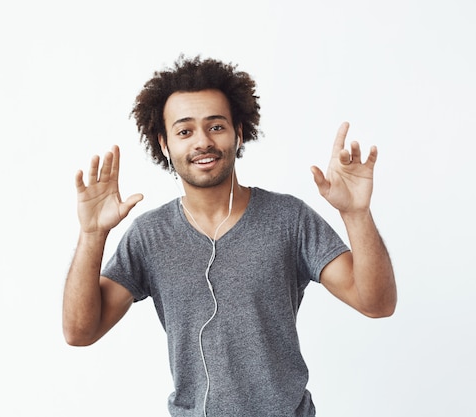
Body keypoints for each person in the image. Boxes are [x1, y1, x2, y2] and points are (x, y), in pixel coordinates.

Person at [62, 56, 397, 417]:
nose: (202, 142)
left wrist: (356, 214)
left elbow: (376, 303)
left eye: (216, 127)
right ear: (164, 143)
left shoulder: (289, 219)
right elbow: (80, 332)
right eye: (185, 131)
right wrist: (92, 234)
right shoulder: (149, 236)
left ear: (238, 132)